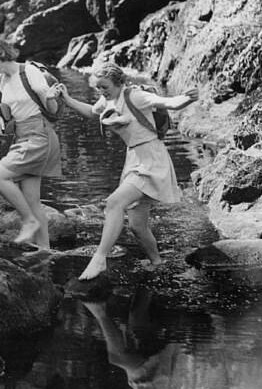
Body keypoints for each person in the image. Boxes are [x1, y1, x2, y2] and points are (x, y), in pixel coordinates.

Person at [56, 63, 198, 279]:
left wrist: (187, 98)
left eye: (105, 87)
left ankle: (99, 258)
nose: (101, 92)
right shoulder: (108, 100)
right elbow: (91, 112)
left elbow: (168, 102)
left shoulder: (136, 96)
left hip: (152, 159)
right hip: (134, 159)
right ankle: (157, 263)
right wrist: (66, 99)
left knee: (114, 203)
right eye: (98, 88)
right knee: (136, 226)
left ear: (119, 83)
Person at [0, 37, 62, 248]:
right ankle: (45, 250)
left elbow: (52, 110)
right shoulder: (2, 79)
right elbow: (6, 109)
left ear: (1, 56)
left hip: (39, 136)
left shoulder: (30, 72)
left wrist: (51, 97)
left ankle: (29, 221)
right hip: (22, 136)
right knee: (33, 199)